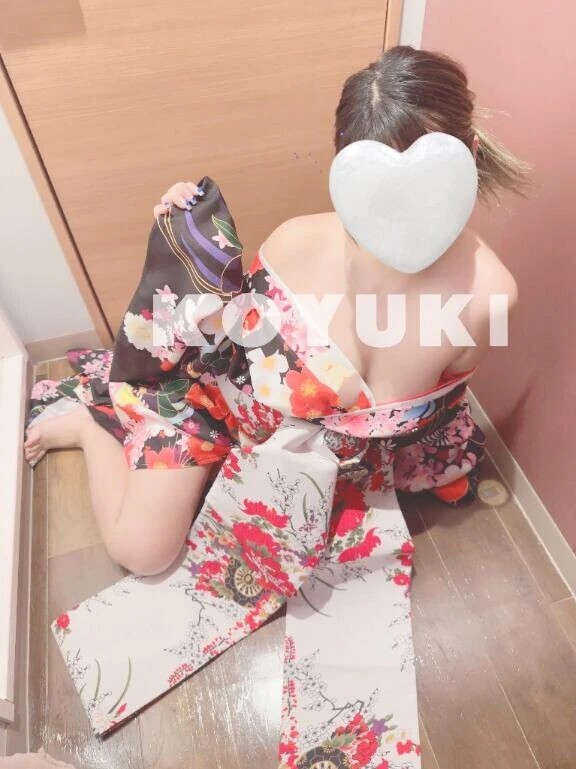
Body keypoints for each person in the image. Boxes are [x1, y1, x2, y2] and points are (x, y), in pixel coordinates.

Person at [23, 45, 530, 580]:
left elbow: (443, 404)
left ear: (470, 154)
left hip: (311, 460)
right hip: (225, 408)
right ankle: (91, 428)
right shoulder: (294, 246)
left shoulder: (492, 295)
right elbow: (228, 350)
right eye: (378, 187)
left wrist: (438, 466)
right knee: (142, 551)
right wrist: (185, 248)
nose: (401, 212)